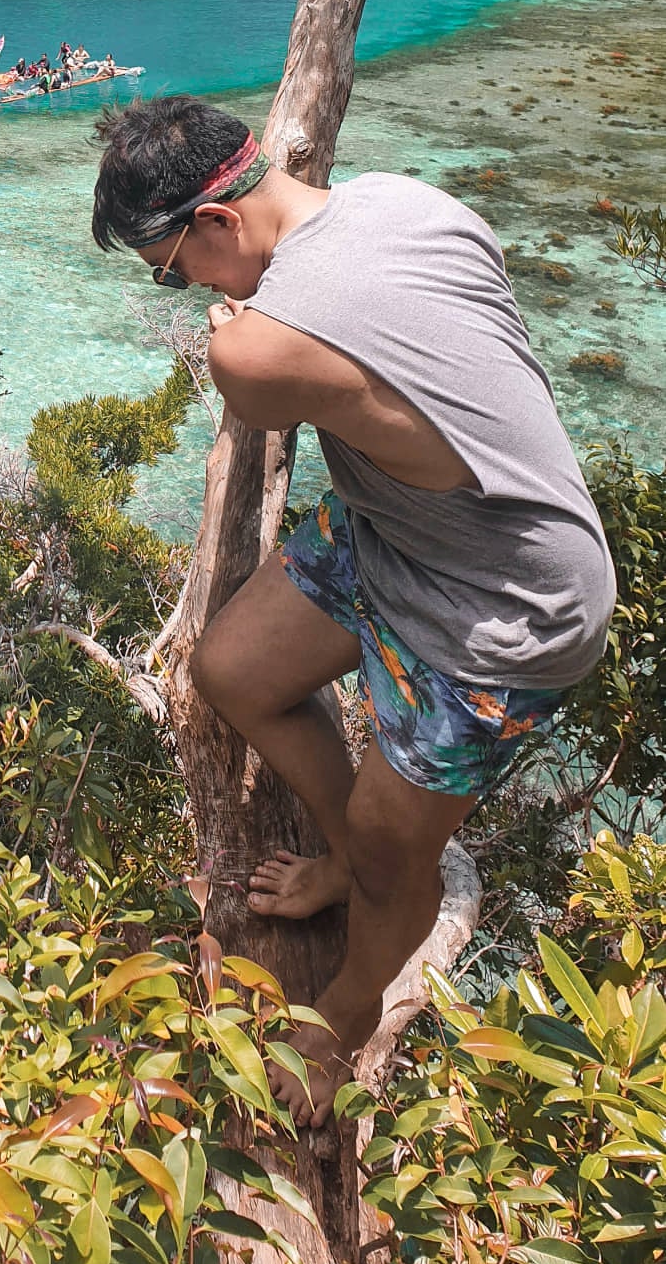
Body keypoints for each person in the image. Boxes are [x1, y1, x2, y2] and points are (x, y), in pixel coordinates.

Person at [90, 95, 615, 1129]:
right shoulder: (402, 199)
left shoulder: (254, 347)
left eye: (170, 269)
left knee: (394, 853)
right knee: (233, 669)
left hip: (508, 606)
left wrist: (250, 334)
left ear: (217, 224)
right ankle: (351, 866)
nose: (179, 289)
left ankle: (347, 1007)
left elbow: (263, 383)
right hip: (399, 529)